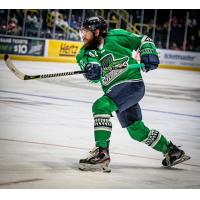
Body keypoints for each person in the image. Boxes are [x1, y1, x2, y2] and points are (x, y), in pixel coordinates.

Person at [76, 16, 190, 172]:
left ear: (96, 32)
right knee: (136, 131)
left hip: (132, 85)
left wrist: (148, 52)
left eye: (86, 32)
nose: (83, 36)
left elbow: (143, 40)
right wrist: (91, 70)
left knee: (101, 106)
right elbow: (92, 73)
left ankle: (102, 153)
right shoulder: (83, 53)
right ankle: (172, 151)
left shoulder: (116, 36)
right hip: (115, 93)